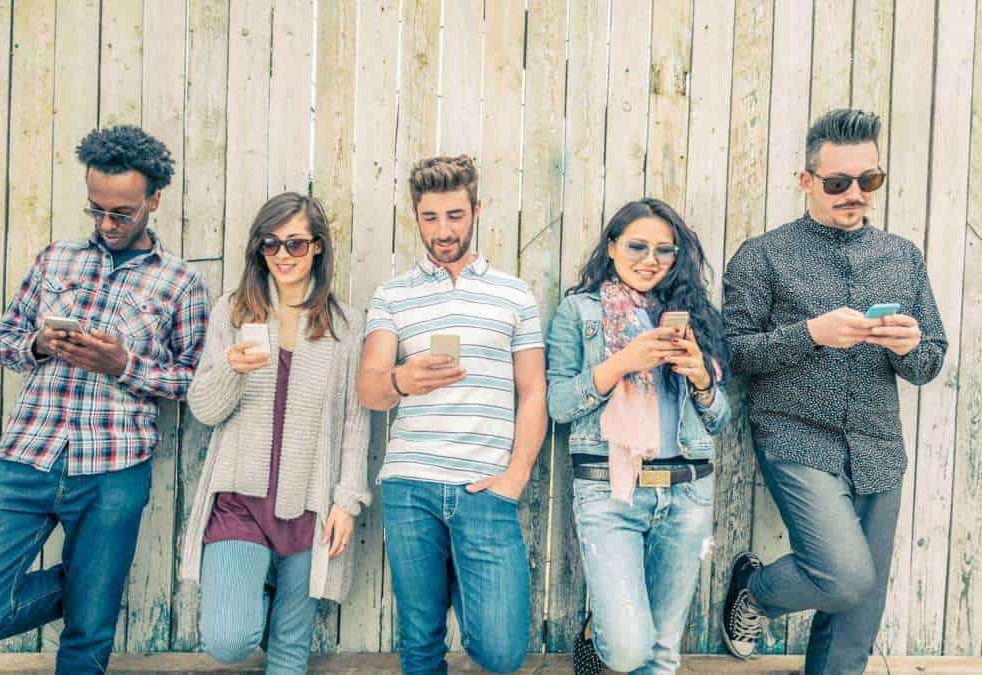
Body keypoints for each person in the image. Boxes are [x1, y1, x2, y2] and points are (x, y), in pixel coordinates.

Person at [0, 125, 210, 674]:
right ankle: (87, 584)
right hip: (26, 458)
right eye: (96, 210)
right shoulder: (55, 259)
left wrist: (123, 365)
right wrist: (38, 343)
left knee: (87, 638)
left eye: (121, 213)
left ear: (153, 200)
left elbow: (195, 383)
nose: (106, 225)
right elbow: (4, 343)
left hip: (113, 468)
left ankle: (93, 592)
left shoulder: (181, 285)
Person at [720, 109, 947, 674]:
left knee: (856, 624)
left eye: (868, 181)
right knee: (845, 577)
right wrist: (810, 334)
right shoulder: (763, 255)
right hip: (796, 437)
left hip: (877, 445)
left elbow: (929, 361)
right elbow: (732, 353)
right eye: (838, 182)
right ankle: (754, 590)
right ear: (806, 181)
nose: (855, 194)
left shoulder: (903, 257)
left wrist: (908, 346)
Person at [357, 155, 547, 674]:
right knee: (420, 642)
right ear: (415, 217)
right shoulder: (392, 295)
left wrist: (515, 477)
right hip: (410, 485)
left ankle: (467, 579)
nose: (444, 231)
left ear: (477, 209)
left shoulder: (514, 295)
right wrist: (401, 379)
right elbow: (369, 389)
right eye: (431, 218)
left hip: (485, 488)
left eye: (455, 216)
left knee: (502, 653)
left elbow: (534, 393)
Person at [180, 192, 371, 672]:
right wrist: (230, 369)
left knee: (289, 656)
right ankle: (253, 581)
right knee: (228, 640)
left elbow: (354, 419)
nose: (283, 256)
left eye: (296, 244)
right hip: (240, 503)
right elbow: (203, 408)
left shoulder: (345, 326)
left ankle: (269, 578)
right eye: (271, 244)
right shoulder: (233, 311)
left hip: (309, 506)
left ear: (319, 247)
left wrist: (346, 501)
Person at [547, 198, 732, 674]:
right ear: (611, 248)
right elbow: (560, 404)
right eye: (637, 246)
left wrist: (701, 381)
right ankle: (597, 629)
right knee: (629, 650)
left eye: (664, 251)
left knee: (662, 654)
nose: (650, 260)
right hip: (611, 491)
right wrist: (622, 363)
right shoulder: (579, 312)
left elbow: (719, 419)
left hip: (687, 491)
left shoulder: (693, 316)